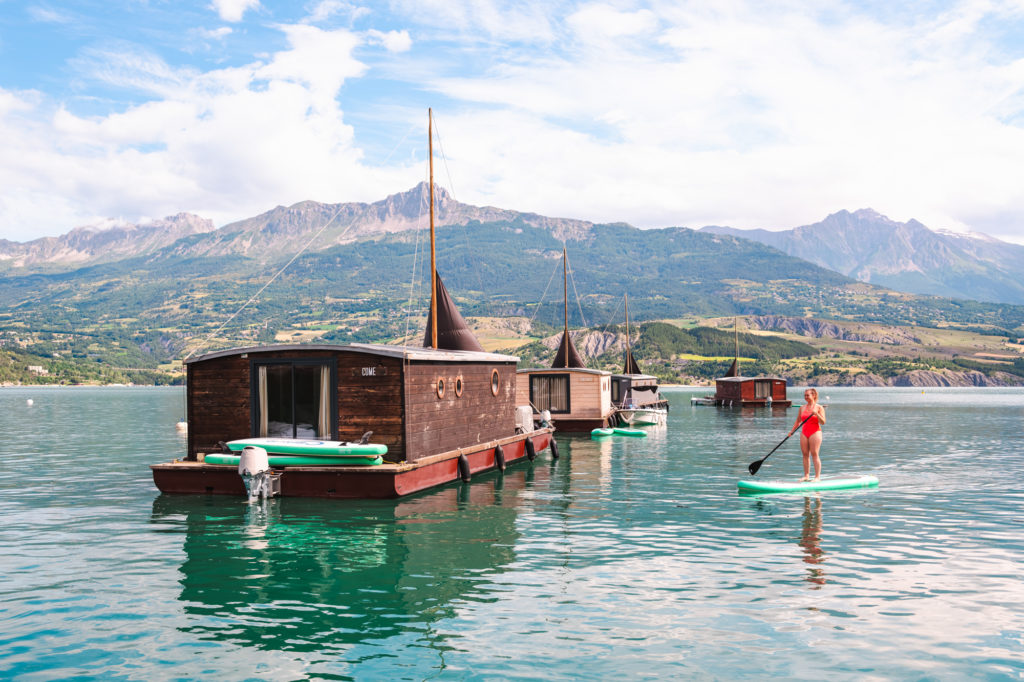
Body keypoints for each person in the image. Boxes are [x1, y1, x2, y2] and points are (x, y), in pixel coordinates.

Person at [790, 388, 826, 482]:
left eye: (808, 395)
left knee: (814, 453)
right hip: (804, 432)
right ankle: (806, 476)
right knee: (805, 454)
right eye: (805, 395)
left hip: (815, 432)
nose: (806, 397)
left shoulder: (819, 407)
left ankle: (817, 477)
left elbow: (823, 422)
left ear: (813, 395)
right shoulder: (802, 407)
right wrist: (792, 431)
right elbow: (798, 421)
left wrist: (816, 414)